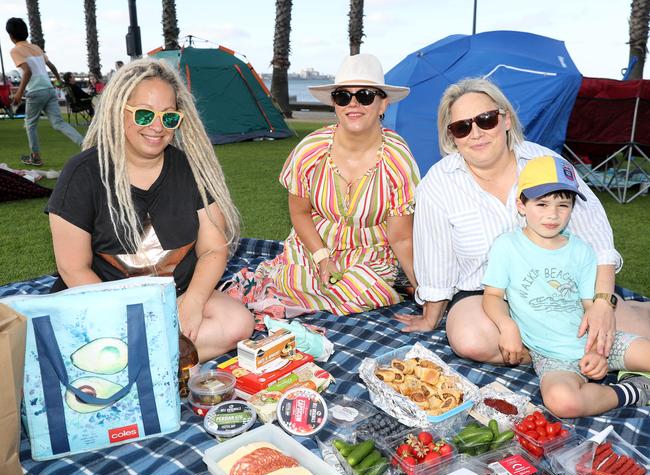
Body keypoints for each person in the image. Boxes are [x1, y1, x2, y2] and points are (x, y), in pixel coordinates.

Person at [396, 78, 650, 362]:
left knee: (636, 327)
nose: (476, 133)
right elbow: (435, 257)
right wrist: (431, 318)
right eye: (462, 127)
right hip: (484, 294)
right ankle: (572, 352)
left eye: (486, 120)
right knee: (469, 340)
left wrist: (603, 303)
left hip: (559, 285)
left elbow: (597, 238)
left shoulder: (546, 163)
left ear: (505, 120)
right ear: (451, 135)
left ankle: (582, 341)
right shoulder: (438, 184)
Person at [45, 58, 254, 361]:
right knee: (70, 337)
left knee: (237, 324)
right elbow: (73, 268)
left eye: (169, 118)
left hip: (174, 298)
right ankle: (162, 358)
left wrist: (193, 302)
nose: (157, 127)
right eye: (144, 115)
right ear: (119, 112)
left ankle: (131, 362)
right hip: (103, 301)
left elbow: (213, 249)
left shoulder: (191, 170)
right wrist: (128, 321)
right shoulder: (83, 173)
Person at [248, 53, 420, 316]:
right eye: (343, 96)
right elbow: (300, 212)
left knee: (364, 286)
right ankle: (320, 298)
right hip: (315, 245)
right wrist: (322, 257)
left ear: (382, 105)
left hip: (369, 255)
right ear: (334, 103)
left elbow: (401, 237)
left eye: (365, 95)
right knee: (292, 280)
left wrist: (425, 290)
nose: (353, 104)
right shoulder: (311, 150)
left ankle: (390, 283)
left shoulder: (397, 158)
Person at [482, 155, 650, 416]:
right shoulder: (507, 246)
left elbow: (589, 306)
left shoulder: (581, 251)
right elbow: (492, 295)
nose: (553, 214)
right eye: (542, 203)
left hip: (598, 341)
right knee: (562, 401)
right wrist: (507, 327)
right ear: (521, 204)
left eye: (563, 204)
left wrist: (598, 351)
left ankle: (624, 369)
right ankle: (632, 391)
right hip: (552, 357)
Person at [6, 17, 84, 166]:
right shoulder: (36, 48)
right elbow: (52, 66)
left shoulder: (15, 50)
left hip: (35, 92)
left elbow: (27, 72)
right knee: (58, 123)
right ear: (26, 32)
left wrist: (18, 94)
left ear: (11, 36)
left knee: (30, 125)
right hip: (49, 90)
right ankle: (86, 144)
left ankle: (35, 157)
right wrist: (58, 80)